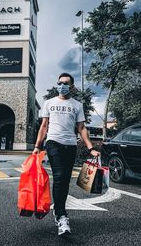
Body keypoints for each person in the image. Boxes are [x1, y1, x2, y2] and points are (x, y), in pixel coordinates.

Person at [32, 73, 100, 236]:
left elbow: (82, 128)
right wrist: (37, 146)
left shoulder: (77, 105)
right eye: (59, 82)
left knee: (64, 180)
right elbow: (43, 126)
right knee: (60, 176)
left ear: (71, 87)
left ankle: (59, 210)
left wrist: (91, 148)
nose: (62, 85)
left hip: (70, 145)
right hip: (53, 142)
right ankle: (61, 215)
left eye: (65, 83)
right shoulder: (49, 103)